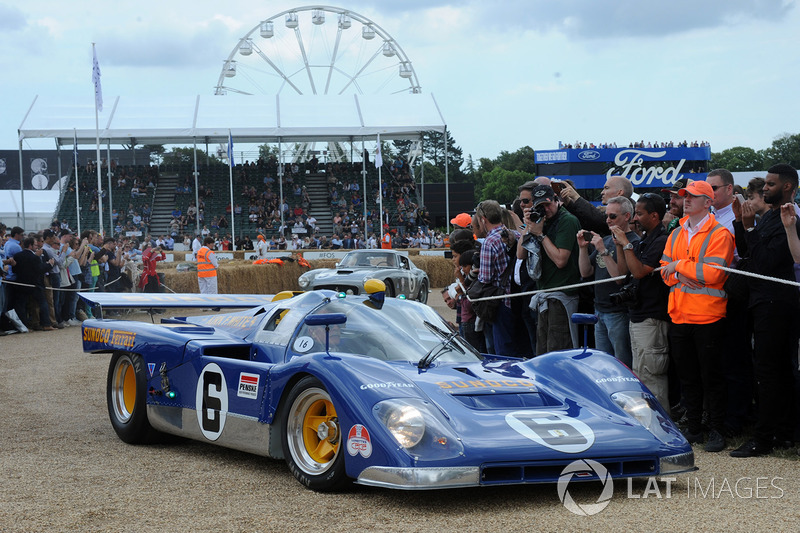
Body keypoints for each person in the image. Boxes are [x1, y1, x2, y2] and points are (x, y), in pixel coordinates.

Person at [730, 163, 800, 457]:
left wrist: (748, 228)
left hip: (777, 304)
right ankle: (782, 432)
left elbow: (766, 263)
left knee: (772, 372)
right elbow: (749, 255)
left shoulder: (790, 218)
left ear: (786, 187)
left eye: (770, 184)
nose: (764, 188)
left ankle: (765, 437)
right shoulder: (771, 217)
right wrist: (740, 224)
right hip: (766, 302)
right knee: (776, 371)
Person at [660, 181, 734, 452]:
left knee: (711, 377)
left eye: (691, 196)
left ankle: (716, 429)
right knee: (688, 376)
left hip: (708, 316)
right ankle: (694, 429)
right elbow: (663, 270)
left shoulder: (720, 233)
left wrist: (678, 267)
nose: (685, 200)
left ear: (707, 202)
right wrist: (678, 272)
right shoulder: (677, 232)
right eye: (684, 196)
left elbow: (714, 274)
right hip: (679, 314)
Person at [612, 193, 671, 415]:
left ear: (654, 215)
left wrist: (627, 243)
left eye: (639, 213)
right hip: (637, 315)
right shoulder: (645, 239)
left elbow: (638, 272)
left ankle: (661, 423)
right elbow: (623, 272)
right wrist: (620, 245)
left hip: (653, 316)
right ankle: (646, 420)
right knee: (640, 372)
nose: (635, 218)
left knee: (652, 374)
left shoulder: (661, 240)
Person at [577, 196, 639, 367]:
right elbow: (585, 272)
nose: (608, 220)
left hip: (619, 312)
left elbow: (619, 278)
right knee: (603, 364)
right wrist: (582, 248)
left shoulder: (633, 242)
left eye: (613, 216)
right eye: (607, 216)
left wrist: (603, 250)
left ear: (627, 216)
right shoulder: (605, 240)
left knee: (621, 363)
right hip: (599, 309)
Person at [525, 185, 581, 354]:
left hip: (562, 296)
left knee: (558, 353)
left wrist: (541, 235)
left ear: (557, 200)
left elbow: (560, 260)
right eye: (540, 206)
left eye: (548, 204)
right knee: (542, 352)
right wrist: (528, 226)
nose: (546, 210)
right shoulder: (540, 221)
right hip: (545, 294)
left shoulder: (567, 220)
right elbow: (521, 254)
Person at [473, 200, 527, 356]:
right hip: (519, 299)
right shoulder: (516, 234)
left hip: (501, 301)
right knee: (522, 346)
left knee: (504, 350)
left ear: (483, 219)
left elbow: (485, 278)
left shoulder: (489, 242)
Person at [558, 175, 634, 235]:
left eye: (606, 188)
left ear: (619, 193)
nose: (602, 192)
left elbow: (599, 220)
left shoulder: (632, 210)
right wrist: (568, 202)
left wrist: (576, 197)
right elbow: (587, 221)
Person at [11, 237, 54, 331]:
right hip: (34, 284)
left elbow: (15, 270)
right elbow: (39, 269)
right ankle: (46, 324)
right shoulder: (34, 257)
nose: (37, 246)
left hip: (21, 283)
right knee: (43, 303)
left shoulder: (17, 255)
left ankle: (24, 326)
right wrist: (49, 264)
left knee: (21, 306)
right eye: (35, 245)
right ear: (30, 246)